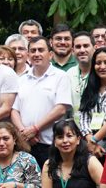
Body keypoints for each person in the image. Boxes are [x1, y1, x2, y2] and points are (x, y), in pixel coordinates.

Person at [10, 36, 71, 167]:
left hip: (50, 144)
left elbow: (61, 108)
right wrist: (24, 132)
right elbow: (14, 110)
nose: (36, 54)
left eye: (40, 50)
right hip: (25, 143)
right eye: (33, 51)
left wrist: (35, 129)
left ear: (50, 54)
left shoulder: (61, 77)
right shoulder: (21, 80)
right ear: (28, 55)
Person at [65, 32, 93, 116]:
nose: (82, 50)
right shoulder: (69, 73)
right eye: (78, 47)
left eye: (86, 46)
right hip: (74, 125)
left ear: (94, 48)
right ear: (73, 51)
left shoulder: (101, 72)